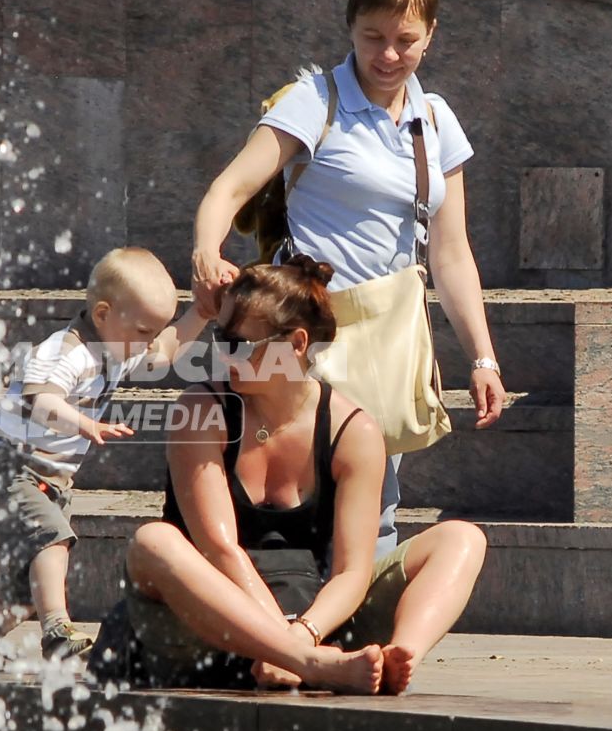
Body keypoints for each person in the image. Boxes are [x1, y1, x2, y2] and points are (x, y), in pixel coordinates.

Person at [190, 0, 506, 561]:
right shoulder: (316, 99)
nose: (389, 55)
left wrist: (483, 358)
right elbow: (228, 189)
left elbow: (452, 252)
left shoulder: (435, 120)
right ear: (350, 28)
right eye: (373, 37)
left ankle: (353, 638)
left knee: (374, 500)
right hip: (305, 331)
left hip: (386, 334)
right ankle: (279, 630)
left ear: (430, 36)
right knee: (291, 489)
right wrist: (206, 250)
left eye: (405, 40)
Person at [98, 257, 486, 694]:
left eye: (240, 344)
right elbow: (219, 549)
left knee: (461, 539)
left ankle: (396, 659)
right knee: (155, 541)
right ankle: (315, 665)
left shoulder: (351, 430)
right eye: (219, 338)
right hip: (203, 621)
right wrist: (291, 648)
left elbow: (351, 572)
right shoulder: (202, 410)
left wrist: (304, 633)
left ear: (297, 343)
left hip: (311, 624)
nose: (223, 353)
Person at [0, 246, 208, 666]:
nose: (148, 343)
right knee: (53, 537)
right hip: (10, 467)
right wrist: (84, 423)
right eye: (144, 331)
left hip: (52, 478)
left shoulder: (120, 346)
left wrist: (201, 313)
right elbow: (41, 400)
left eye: (152, 332)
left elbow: (167, 350)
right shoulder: (64, 351)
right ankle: (57, 631)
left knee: (27, 596)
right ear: (102, 314)